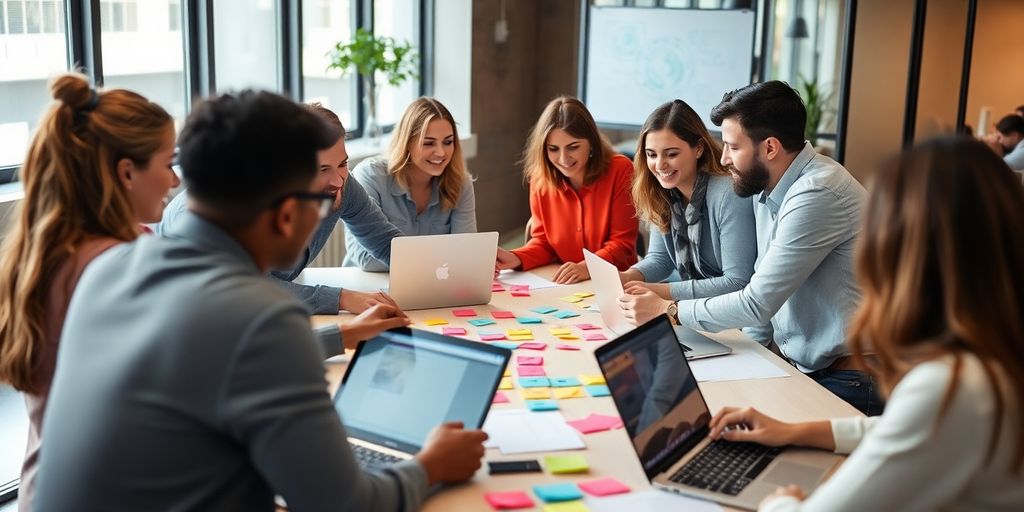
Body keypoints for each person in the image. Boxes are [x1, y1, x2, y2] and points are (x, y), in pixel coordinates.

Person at [36, 90, 487, 511]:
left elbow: (210, 367)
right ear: (289, 212)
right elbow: (345, 505)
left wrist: (337, 336)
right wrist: (430, 465)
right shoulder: (263, 319)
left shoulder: (108, 270)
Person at [707, 137, 1024, 511]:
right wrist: (795, 431)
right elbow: (901, 431)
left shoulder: (950, 385)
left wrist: (783, 501)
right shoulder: (992, 353)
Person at [619, 81, 878, 415]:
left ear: (769, 148)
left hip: (853, 378)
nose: (723, 159)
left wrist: (667, 310)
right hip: (814, 368)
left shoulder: (816, 193)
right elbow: (761, 293)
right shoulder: (765, 190)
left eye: (732, 147)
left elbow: (755, 301)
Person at [0, 74, 178, 512]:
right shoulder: (126, 263)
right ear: (127, 172)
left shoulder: (41, 253)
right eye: (166, 162)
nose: (173, 180)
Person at [158, 103, 406, 315]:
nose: (338, 180)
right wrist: (341, 298)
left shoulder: (341, 185)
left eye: (342, 164)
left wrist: (433, 276)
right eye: (322, 169)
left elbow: (386, 243)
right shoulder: (229, 206)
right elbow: (250, 286)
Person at [618, 99, 758, 304]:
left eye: (671, 154)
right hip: (695, 310)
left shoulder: (728, 194)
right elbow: (660, 260)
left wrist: (659, 291)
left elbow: (737, 282)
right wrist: (627, 278)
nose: (659, 165)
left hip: (735, 317)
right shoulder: (663, 192)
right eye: (651, 155)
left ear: (699, 149)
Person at [495, 96, 639, 284]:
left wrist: (586, 267)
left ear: (591, 143)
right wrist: (515, 257)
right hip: (565, 284)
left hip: (617, 282)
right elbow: (544, 243)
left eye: (573, 147)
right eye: (553, 149)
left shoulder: (621, 170)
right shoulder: (539, 179)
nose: (563, 158)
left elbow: (622, 244)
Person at [344, 97, 476, 271]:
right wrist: (446, 255)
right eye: (429, 143)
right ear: (407, 143)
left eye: (448, 142)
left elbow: (467, 253)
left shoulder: (460, 183)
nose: (441, 152)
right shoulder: (370, 176)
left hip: (429, 286)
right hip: (367, 287)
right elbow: (367, 260)